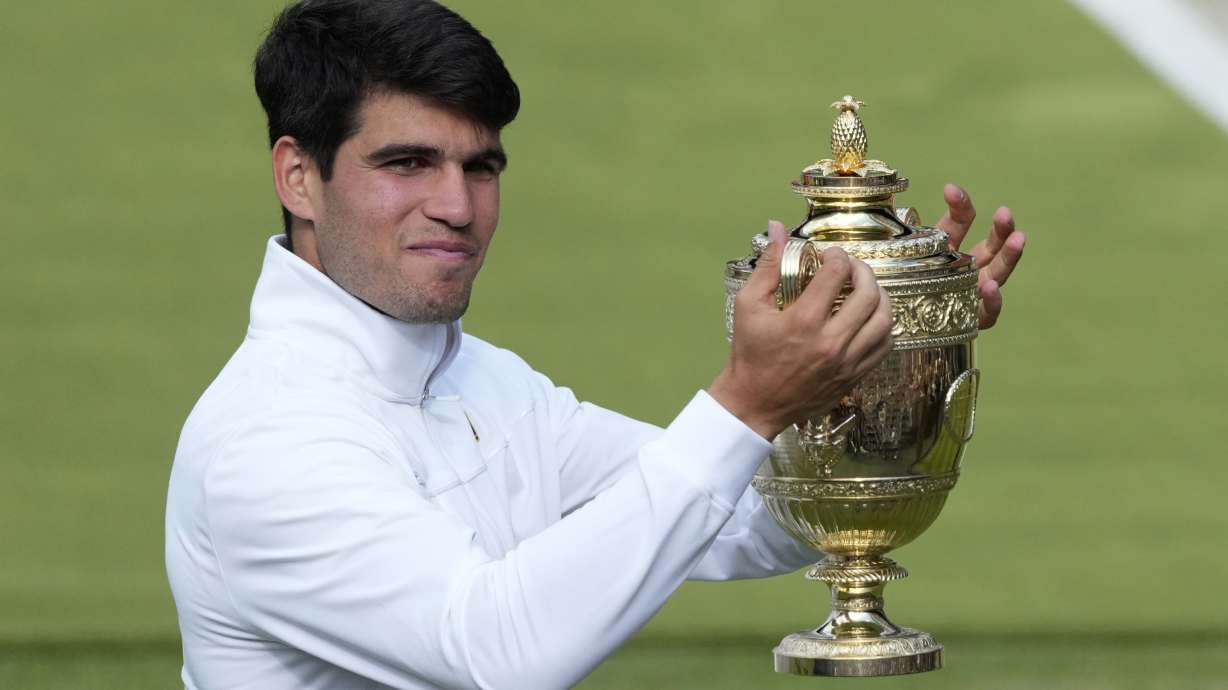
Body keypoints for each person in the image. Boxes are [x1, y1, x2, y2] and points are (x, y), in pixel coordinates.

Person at [164, 1, 1027, 688]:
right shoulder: (268, 440)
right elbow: (496, 653)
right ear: (297, 177)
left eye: (482, 167)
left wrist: (893, 352)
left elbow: (752, 524)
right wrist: (749, 401)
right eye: (407, 164)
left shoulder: (481, 385)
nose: (458, 207)